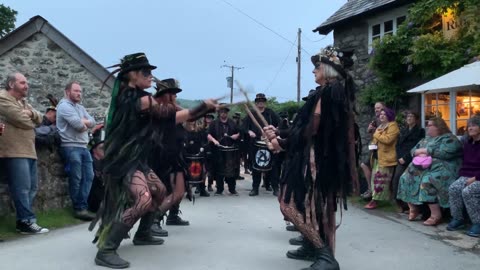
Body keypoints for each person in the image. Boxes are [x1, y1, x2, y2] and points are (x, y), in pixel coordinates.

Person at [90, 53, 216, 269]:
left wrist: (201, 109)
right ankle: (107, 248)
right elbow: (170, 115)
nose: (151, 77)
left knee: (158, 190)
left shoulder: (138, 96)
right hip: (123, 160)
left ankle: (143, 233)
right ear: (131, 75)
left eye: (151, 72)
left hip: (134, 158)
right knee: (144, 199)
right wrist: (201, 107)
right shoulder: (137, 99)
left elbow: (169, 116)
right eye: (146, 72)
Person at [265, 45, 356, 270]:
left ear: (327, 69)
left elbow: (313, 130)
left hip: (315, 161)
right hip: (311, 157)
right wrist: (280, 133)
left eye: (317, 67)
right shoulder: (324, 92)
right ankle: (311, 247)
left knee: (288, 205)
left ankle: (325, 256)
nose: (313, 71)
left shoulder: (329, 92)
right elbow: (304, 126)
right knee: (306, 205)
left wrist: (283, 143)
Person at [0, 72, 49, 234]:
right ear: (11, 84)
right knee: (21, 188)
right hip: (13, 150)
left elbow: (41, 119)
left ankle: (23, 221)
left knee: (32, 187)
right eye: (22, 83)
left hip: (29, 149)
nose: (26, 86)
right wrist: (31, 118)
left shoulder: (23, 101)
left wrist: (32, 114)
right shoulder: (3, 97)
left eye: (26, 83)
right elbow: (21, 120)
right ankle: (27, 221)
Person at [397, 117, 463, 226]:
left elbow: (446, 152)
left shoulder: (449, 138)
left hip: (445, 168)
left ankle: (435, 215)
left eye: (430, 125)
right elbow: (414, 150)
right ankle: (414, 208)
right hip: (426, 167)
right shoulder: (426, 139)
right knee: (406, 177)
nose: (427, 127)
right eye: (427, 124)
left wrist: (426, 151)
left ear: (439, 126)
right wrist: (419, 152)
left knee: (428, 181)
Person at [56, 81, 97, 221]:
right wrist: (84, 122)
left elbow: (93, 122)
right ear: (67, 92)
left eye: (80, 91)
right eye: (76, 91)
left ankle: (83, 206)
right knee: (77, 178)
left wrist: (85, 122)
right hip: (70, 146)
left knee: (89, 176)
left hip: (83, 147)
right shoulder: (63, 107)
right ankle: (79, 208)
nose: (79, 94)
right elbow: (79, 126)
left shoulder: (80, 107)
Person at [447, 115, 480, 237]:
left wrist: (475, 178)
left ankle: (478, 223)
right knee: (454, 188)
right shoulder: (468, 143)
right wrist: (462, 176)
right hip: (468, 175)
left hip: (477, 177)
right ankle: (458, 219)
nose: (470, 128)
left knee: (468, 191)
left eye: (474, 125)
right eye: (469, 126)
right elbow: (465, 164)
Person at [244, 93, 280, 196]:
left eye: (262, 101)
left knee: (273, 167)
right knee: (256, 168)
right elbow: (243, 127)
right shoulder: (252, 114)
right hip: (255, 144)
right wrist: (249, 131)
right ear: (256, 103)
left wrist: (274, 130)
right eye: (259, 101)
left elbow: (280, 124)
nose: (261, 102)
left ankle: (275, 188)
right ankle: (255, 188)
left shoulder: (270, 113)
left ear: (265, 102)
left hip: (269, 144)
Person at [364, 108, 400, 209]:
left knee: (381, 179)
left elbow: (388, 140)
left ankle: (375, 200)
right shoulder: (380, 126)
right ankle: (378, 199)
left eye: (385, 114)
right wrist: (373, 144)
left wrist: (376, 133)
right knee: (375, 178)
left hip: (387, 157)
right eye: (381, 114)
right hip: (377, 156)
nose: (382, 116)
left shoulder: (393, 126)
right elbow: (376, 139)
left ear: (389, 116)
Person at [391, 111, 425, 212]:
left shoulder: (420, 131)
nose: (409, 118)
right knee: (396, 179)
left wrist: (405, 158)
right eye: (408, 116)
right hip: (401, 158)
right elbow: (398, 145)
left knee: (409, 180)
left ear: (416, 119)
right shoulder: (403, 130)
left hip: (412, 159)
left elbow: (417, 146)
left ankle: (411, 206)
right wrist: (399, 157)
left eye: (411, 116)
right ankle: (400, 204)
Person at [207, 105, 240, 195]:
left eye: (225, 112)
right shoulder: (214, 123)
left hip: (230, 150)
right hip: (218, 150)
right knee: (218, 170)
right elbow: (209, 135)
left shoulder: (232, 123)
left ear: (227, 113)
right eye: (221, 112)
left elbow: (239, 133)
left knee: (231, 171)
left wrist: (236, 136)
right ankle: (219, 189)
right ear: (219, 113)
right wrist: (214, 141)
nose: (223, 113)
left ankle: (232, 189)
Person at [360, 101, 386, 199]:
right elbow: (369, 131)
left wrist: (375, 131)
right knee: (364, 165)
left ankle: (375, 192)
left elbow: (384, 135)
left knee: (376, 170)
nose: (376, 110)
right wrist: (369, 128)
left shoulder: (387, 120)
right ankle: (370, 188)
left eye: (378, 108)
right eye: (375, 108)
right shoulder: (375, 119)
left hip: (382, 149)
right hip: (374, 148)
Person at [87, 123, 106, 213]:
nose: (105, 151)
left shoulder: (105, 162)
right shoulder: (90, 162)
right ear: (94, 149)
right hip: (94, 199)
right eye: (102, 148)